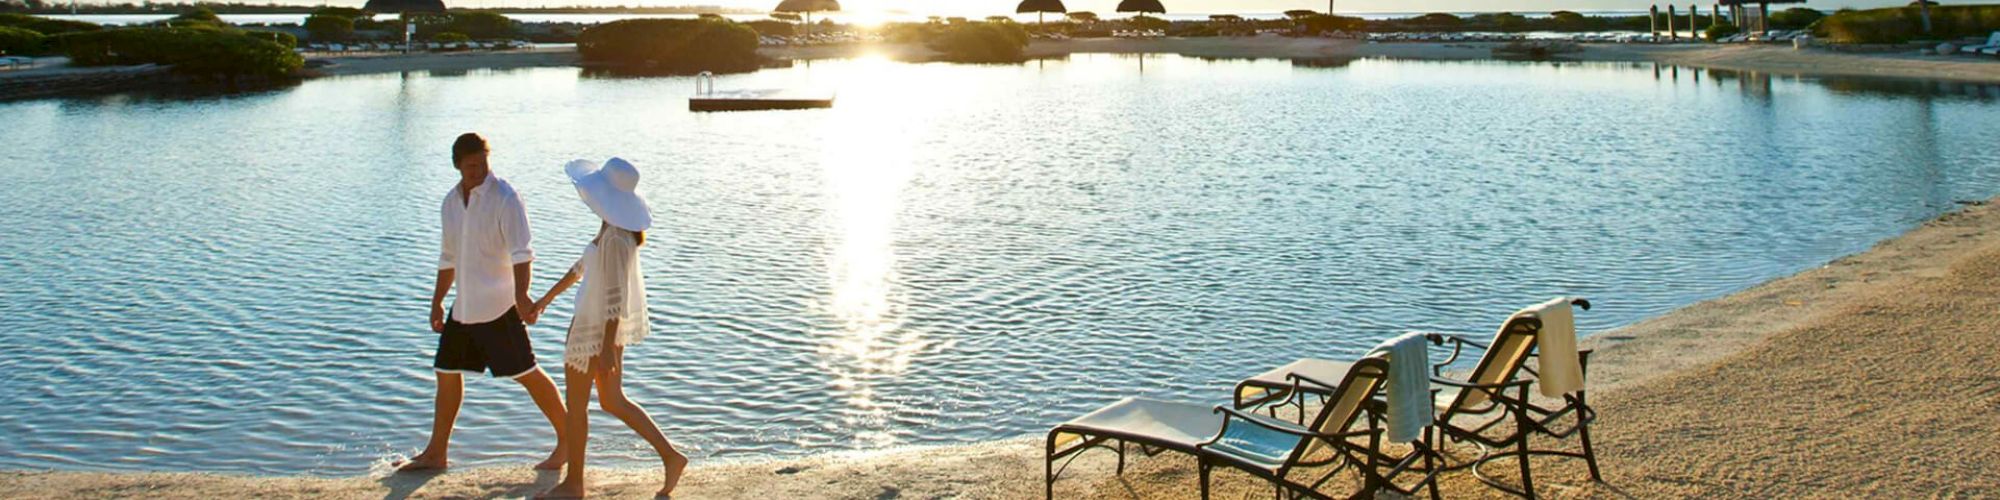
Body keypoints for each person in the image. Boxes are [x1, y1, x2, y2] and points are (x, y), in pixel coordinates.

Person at [397, 133, 570, 472]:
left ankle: (570, 441)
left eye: (483, 164)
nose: (479, 171)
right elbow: (448, 257)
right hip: (463, 307)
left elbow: (523, 253)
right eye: (471, 165)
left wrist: (522, 295)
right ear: (457, 165)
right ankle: (436, 453)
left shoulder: (505, 197)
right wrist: (437, 302)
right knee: (446, 372)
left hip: (499, 306)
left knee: (526, 372)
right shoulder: (450, 202)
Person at [533, 158, 687, 498]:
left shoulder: (617, 238)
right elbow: (580, 269)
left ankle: (574, 484)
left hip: (594, 329)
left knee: (578, 406)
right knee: (612, 400)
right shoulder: (610, 229)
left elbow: (616, 296)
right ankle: (671, 456)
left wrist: (604, 346)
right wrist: (543, 300)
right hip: (595, 328)